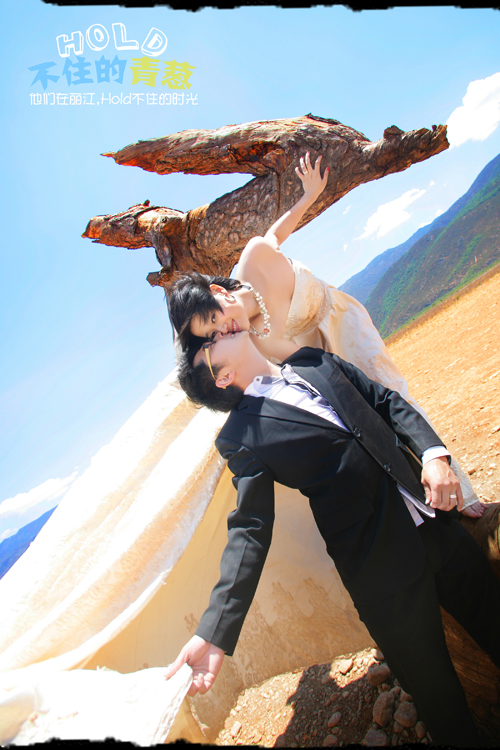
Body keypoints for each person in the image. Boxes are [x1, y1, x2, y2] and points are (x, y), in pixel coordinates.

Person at [166, 330, 500, 748]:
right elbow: (250, 527)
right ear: (223, 377)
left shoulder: (312, 361)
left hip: (439, 527)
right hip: (384, 578)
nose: (220, 331)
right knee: (443, 706)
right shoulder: (240, 436)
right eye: (209, 343)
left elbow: (384, 401)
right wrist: (215, 631)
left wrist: (434, 455)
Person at [166, 152, 484, 518]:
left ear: (218, 293)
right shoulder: (254, 342)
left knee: (392, 389)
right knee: (366, 417)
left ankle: (462, 493)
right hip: (320, 353)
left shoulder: (253, 259)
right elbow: (303, 365)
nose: (223, 331)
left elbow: (274, 235)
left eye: (213, 320)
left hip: (341, 318)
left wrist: (310, 194)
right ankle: (426, 505)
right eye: (212, 336)